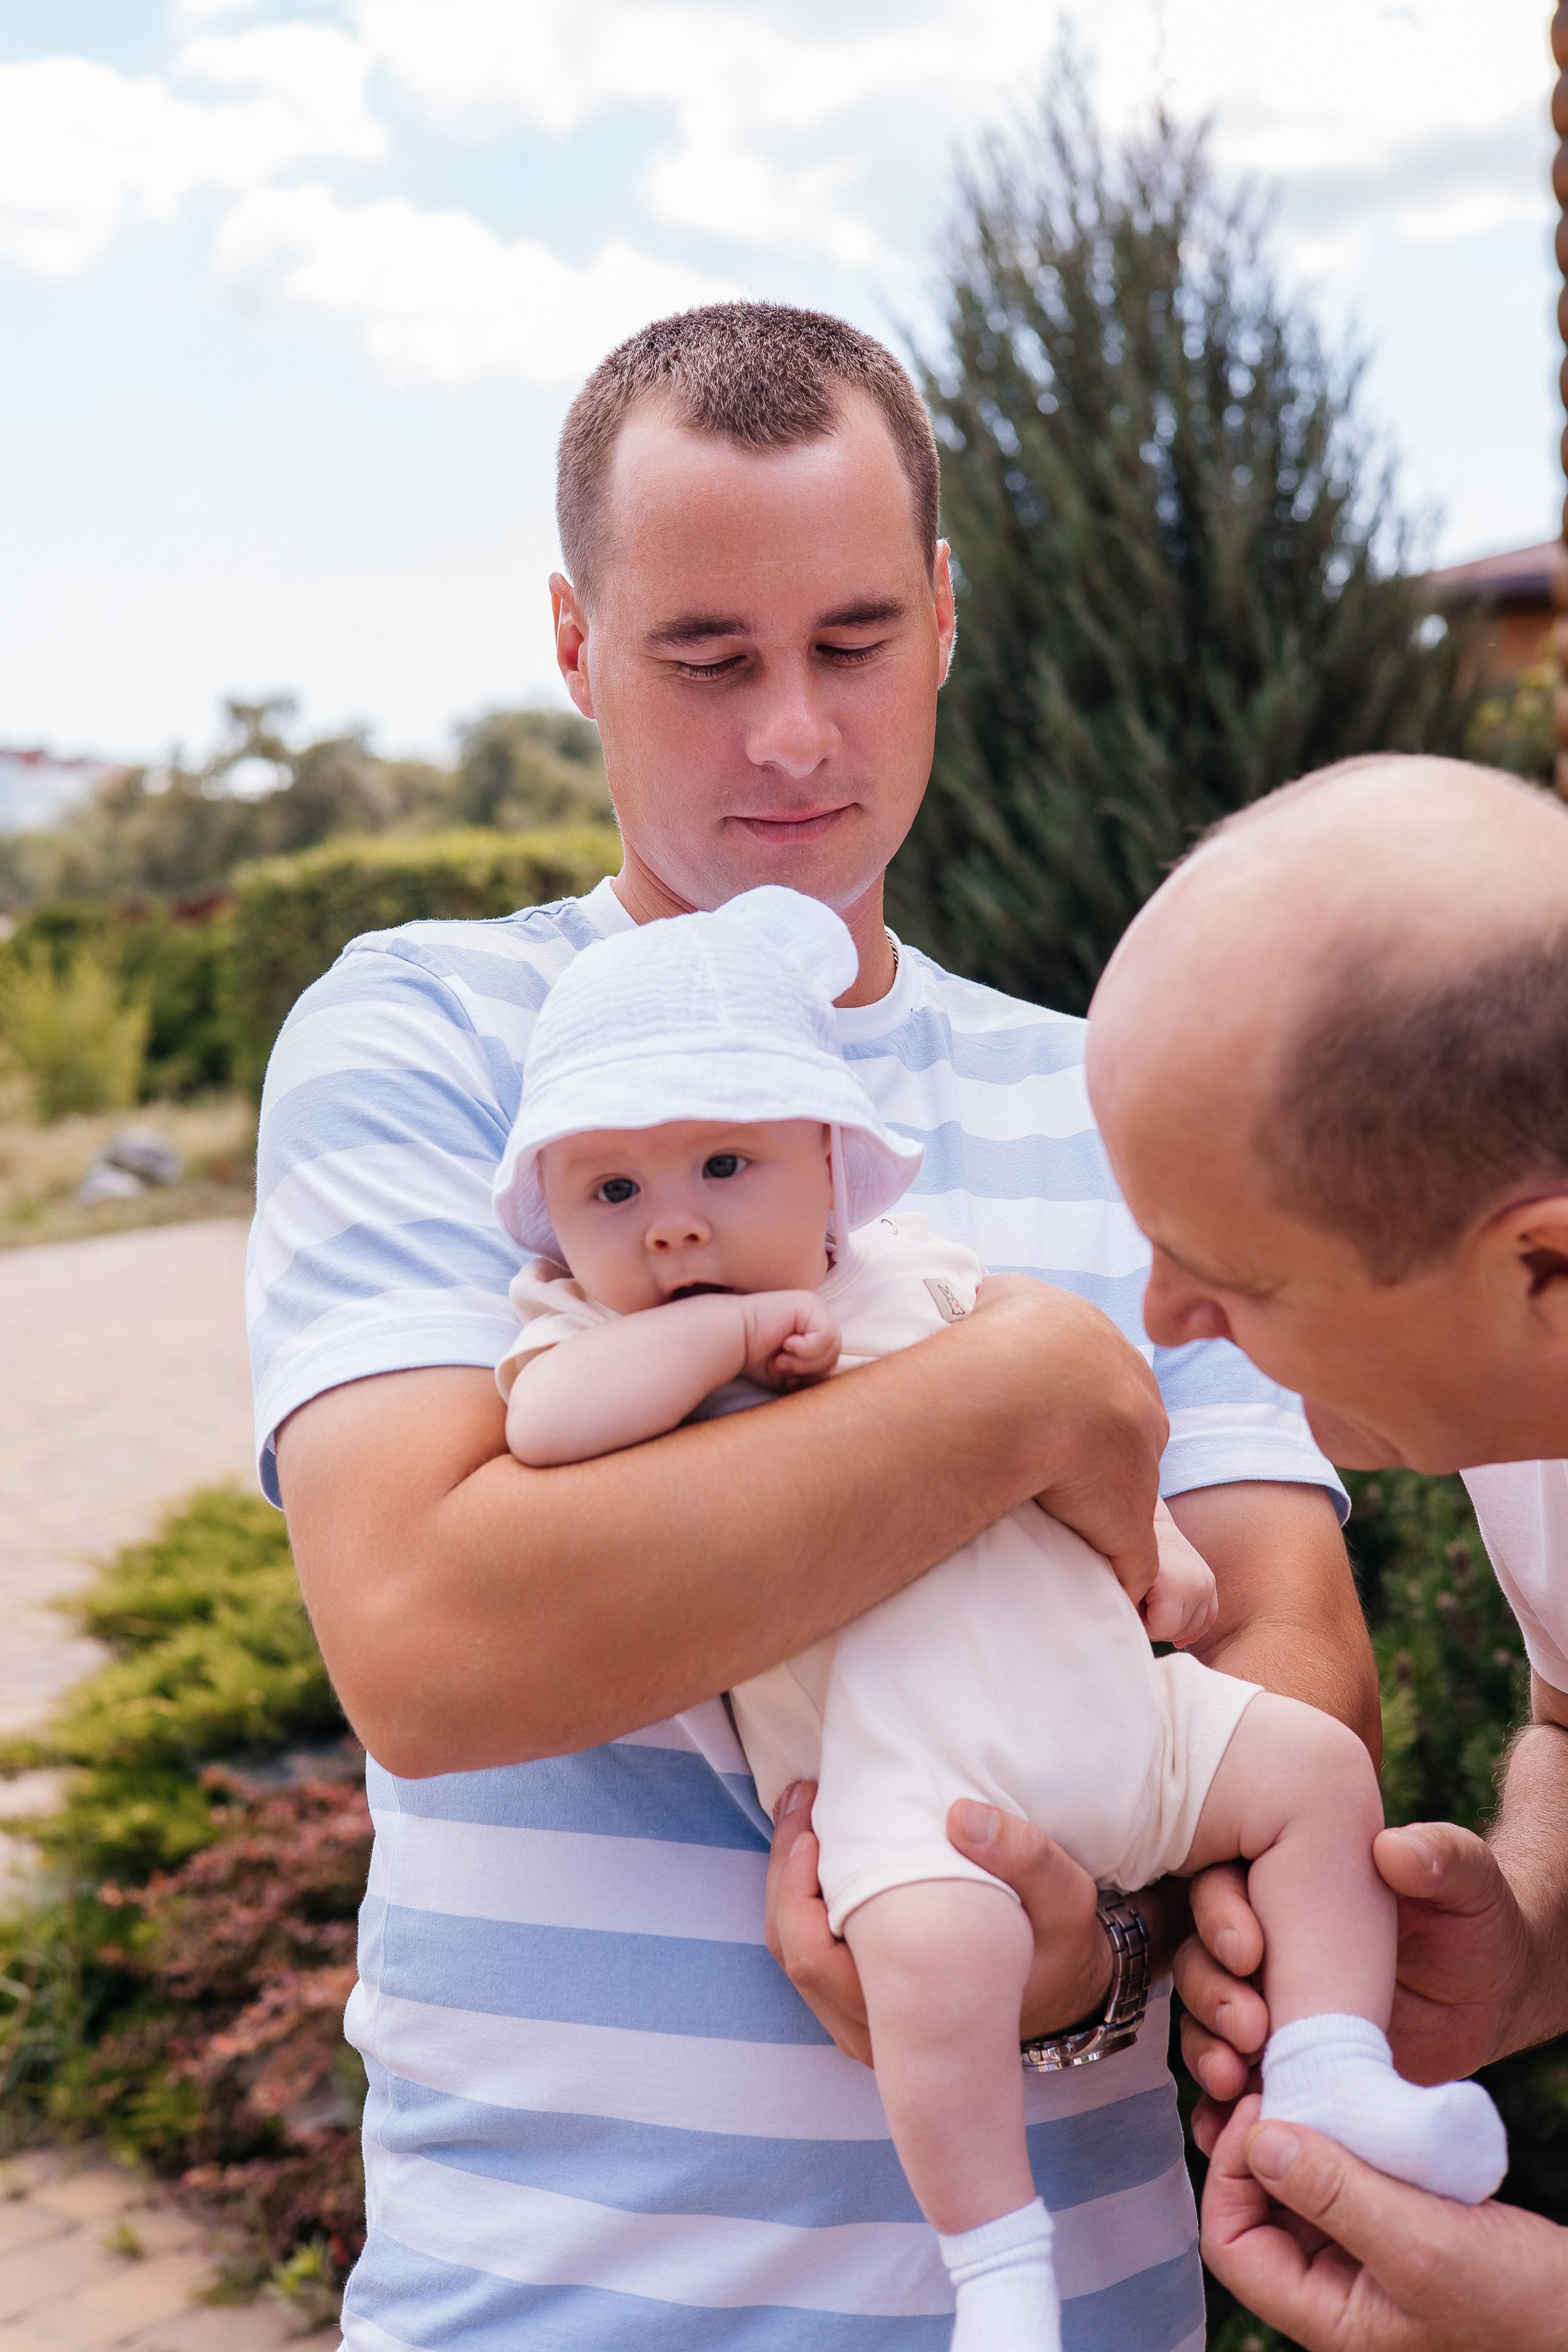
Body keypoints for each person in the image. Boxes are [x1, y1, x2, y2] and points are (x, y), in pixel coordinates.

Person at [250, 300, 1371, 2352]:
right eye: (708, 658)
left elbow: (1289, 1653)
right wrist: (1021, 1394)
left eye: (853, 642)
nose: (792, 734)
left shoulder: (1117, 1091)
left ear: (943, 617)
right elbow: (431, 1641)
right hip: (552, 2313)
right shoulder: (426, 1041)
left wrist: (1093, 1962)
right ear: (576, 643)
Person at [492, 880, 1502, 2352]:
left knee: (1312, 1771)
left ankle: (1335, 2066)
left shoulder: (923, 1276)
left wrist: (1152, 1538)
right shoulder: (594, 1338)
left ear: (828, 1166)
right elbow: (545, 1427)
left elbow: (1083, 1431)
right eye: (610, 1193)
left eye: (721, 1163)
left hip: (1116, 1712)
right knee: (933, 1963)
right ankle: (997, 2265)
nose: (673, 1227)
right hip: (913, 1793)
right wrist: (723, 1333)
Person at [1082, 751, 1568, 2350]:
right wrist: (1529, 1939)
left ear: (1540, 1262)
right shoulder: (1528, 1405)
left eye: (1230, 1276)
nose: (1164, 1319)